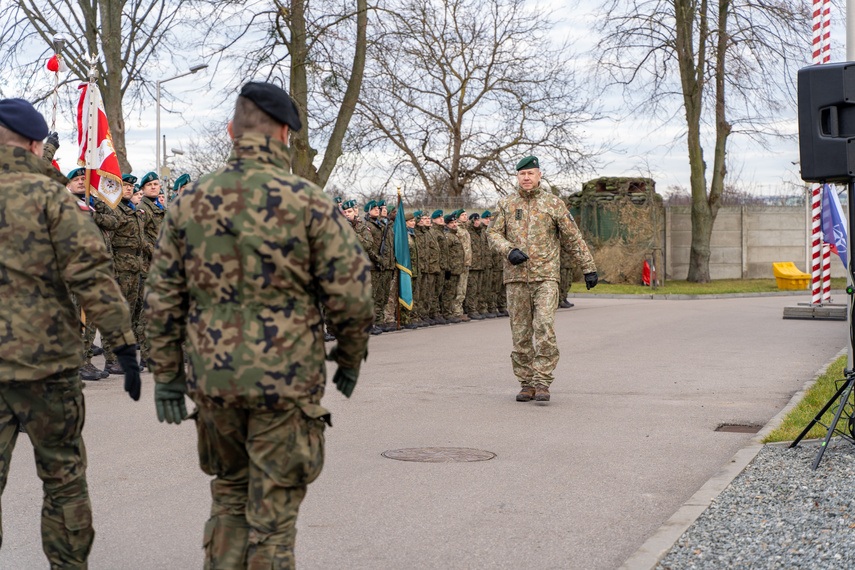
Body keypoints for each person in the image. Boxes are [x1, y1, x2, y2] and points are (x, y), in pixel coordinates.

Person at [145, 81, 373, 568]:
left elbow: (162, 299)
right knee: (272, 519)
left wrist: (166, 377)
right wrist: (350, 360)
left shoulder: (188, 203)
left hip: (215, 383)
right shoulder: (310, 202)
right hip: (285, 384)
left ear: (231, 131)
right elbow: (352, 296)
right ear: (286, 135)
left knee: (229, 496)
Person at [0, 98, 140, 568]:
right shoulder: (52, 198)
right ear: (37, 145)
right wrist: (123, 344)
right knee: (63, 481)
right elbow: (94, 278)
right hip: (49, 369)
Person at [487, 155, 598, 403]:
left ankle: (542, 381)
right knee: (521, 333)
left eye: (530, 174)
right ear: (518, 177)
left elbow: (572, 237)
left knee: (544, 328)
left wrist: (588, 267)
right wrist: (509, 250)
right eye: (522, 174)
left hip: (546, 276)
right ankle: (526, 383)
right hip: (515, 279)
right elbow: (492, 233)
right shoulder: (506, 204)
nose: (526, 178)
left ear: (539, 175)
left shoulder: (553, 203)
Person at [65, 167, 122, 380]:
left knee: (90, 319)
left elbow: (116, 222)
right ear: (68, 184)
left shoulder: (92, 204)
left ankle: (86, 361)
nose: (81, 182)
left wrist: (95, 206)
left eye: (83, 179)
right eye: (77, 180)